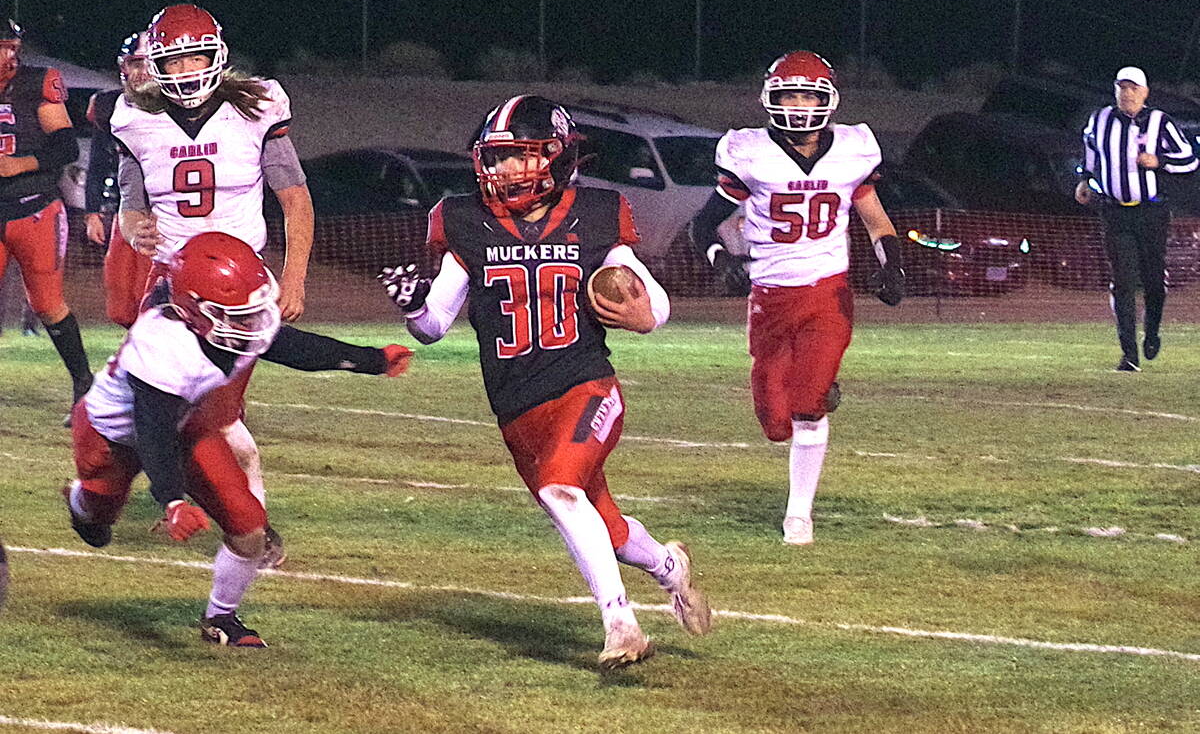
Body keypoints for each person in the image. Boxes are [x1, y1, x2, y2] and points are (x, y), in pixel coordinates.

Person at [380, 95, 711, 670]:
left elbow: (652, 299)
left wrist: (647, 315)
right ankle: (668, 566)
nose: (504, 170)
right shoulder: (465, 221)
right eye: (497, 158)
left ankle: (620, 622)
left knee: (563, 490)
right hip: (516, 408)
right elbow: (434, 326)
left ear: (557, 157)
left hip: (586, 384)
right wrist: (412, 308)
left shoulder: (597, 213)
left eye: (518, 157)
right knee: (601, 524)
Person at [64, 231, 413, 646]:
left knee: (248, 525)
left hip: (181, 425)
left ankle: (221, 617)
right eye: (238, 314)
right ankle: (78, 500)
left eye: (252, 310)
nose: (252, 322)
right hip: (110, 437)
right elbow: (152, 430)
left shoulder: (235, 320)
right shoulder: (162, 342)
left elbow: (296, 348)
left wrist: (372, 360)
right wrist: (173, 500)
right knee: (97, 522)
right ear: (191, 310)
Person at [112, 3, 315, 567]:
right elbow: (131, 205)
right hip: (171, 285)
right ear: (157, 63)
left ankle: (245, 516)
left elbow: (295, 200)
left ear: (217, 56)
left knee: (213, 415)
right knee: (160, 402)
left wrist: (294, 277)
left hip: (237, 285)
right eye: (174, 61)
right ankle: (216, 506)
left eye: (196, 57)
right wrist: (133, 225)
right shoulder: (134, 118)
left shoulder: (255, 107)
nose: (186, 71)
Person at [689, 51, 904, 546]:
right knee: (774, 423)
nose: (800, 105)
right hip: (769, 295)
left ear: (827, 99)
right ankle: (816, 388)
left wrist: (892, 264)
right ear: (771, 99)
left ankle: (798, 516)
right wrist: (722, 259)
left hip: (827, 290)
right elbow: (704, 222)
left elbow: (875, 219)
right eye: (790, 95)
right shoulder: (749, 153)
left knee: (808, 404)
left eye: (809, 94)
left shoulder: (853, 150)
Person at [1075, 66, 1198, 371]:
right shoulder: (1100, 119)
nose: (1127, 94)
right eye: (1122, 88)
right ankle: (1128, 354)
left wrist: (1160, 161)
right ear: (1115, 90)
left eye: (1133, 88)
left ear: (1145, 93)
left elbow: (1190, 159)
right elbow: (1090, 152)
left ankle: (1152, 330)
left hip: (1151, 212)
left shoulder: (1160, 122)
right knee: (1123, 281)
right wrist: (1084, 180)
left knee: (1154, 282)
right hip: (1115, 210)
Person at [0, 18, 93, 405]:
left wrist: (20, 164)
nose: (10, 55)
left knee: (48, 305)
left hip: (34, 209)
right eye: (3, 47)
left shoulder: (36, 82)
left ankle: (84, 383)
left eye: (13, 47)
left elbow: (65, 146)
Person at [84, 30, 155, 327]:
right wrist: (92, 211)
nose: (142, 72)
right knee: (121, 305)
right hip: (126, 211)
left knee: (149, 297)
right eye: (135, 63)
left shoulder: (177, 108)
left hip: (165, 213)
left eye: (149, 63)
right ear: (123, 67)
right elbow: (99, 162)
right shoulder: (108, 107)